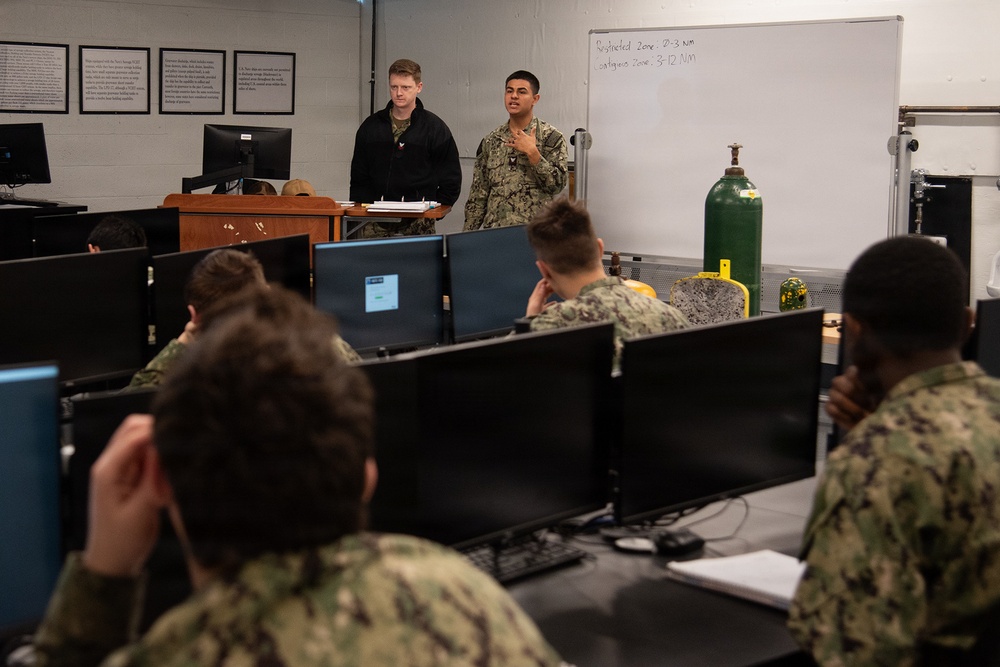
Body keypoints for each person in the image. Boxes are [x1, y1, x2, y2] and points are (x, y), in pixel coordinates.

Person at [32, 285, 565, 667]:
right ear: (366, 476)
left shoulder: (179, 651)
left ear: (161, 487)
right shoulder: (462, 596)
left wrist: (103, 576)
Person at [788, 236, 1000, 666]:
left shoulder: (879, 462)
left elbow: (855, 651)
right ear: (966, 324)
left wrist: (873, 441)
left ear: (855, 331)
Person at [128, 249, 360, 388]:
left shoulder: (200, 382)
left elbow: (129, 405)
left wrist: (183, 342)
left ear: (195, 316)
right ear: (266, 292)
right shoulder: (320, 345)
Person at [522, 196, 689, 367]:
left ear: (544, 270)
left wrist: (529, 322)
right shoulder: (671, 318)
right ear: (600, 248)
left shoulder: (547, 329)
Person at [349, 58, 461, 237]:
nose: (398, 93)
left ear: (419, 87)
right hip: (375, 221)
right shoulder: (371, 127)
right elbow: (359, 176)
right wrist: (362, 208)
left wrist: (433, 211)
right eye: (394, 87)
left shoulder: (435, 128)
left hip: (418, 221)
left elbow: (451, 178)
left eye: (405, 87)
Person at [463, 71, 568, 231]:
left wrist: (533, 153)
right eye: (509, 91)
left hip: (537, 234)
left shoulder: (550, 137)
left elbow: (557, 186)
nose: (514, 96)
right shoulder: (491, 140)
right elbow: (478, 195)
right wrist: (467, 237)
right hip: (495, 233)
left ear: (535, 99)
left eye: (522, 92)